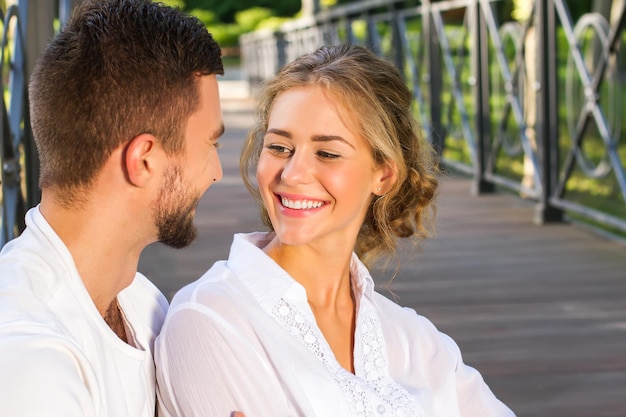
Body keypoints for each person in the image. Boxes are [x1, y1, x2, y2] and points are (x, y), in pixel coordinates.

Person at [156, 44, 516, 416]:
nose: (292, 174)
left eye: (327, 153)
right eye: (279, 147)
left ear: (383, 174)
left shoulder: (416, 342)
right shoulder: (209, 322)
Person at [0, 1, 224, 416]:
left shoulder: (142, 302)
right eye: (210, 144)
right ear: (144, 161)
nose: (216, 171)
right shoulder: (26, 357)